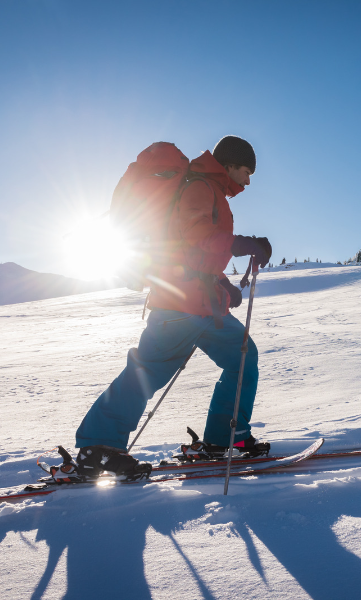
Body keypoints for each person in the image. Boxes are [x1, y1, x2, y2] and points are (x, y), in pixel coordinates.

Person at [73, 136, 272, 480]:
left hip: (202, 305)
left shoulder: (210, 189)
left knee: (242, 355)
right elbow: (197, 242)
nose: (248, 180)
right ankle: (98, 448)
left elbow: (190, 253)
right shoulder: (200, 187)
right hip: (180, 306)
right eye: (245, 171)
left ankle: (225, 438)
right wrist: (243, 244)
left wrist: (221, 284)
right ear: (228, 165)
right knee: (147, 370)